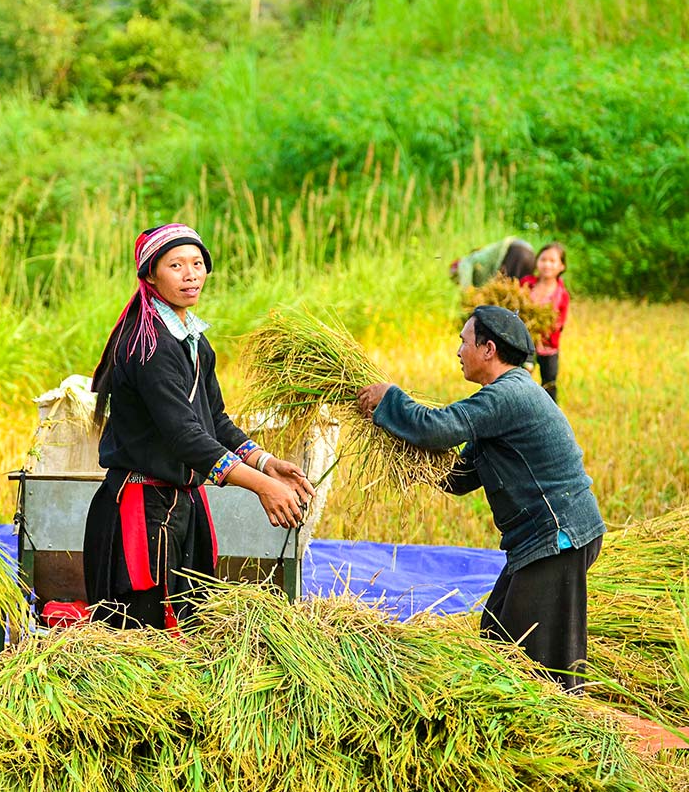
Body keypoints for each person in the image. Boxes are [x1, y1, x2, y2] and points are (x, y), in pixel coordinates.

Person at [356, 305, 605, 692]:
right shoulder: (503, 400)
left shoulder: (508, 396)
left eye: (464, 342)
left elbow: (436, 428)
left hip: (559, 537)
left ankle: (562, 730)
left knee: (533, 661)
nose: (458, 352)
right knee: (496, 633)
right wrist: (404, 453)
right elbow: (459, 477)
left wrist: (391, 399)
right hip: (541, 542)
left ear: (488, 349)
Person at [83, 224, 315, 631]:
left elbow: (214, 421)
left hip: (179, 508)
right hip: (142, 513)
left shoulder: (194, 342)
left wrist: (266, 463)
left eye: (197, 264)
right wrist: (262, 488)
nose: (190, 274)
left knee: (188, 630)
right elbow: (185, 437)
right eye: (175, 265)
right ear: (150, 275)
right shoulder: (148, 346)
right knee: (142, 638)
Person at [520, 243, 569, 403]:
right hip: (526, 342)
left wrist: (543, 331)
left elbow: (558, 324)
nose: (547, 264)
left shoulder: (561, 294)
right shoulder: (526, 284)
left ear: (561, 266)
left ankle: (551, 414)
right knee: (522, 377)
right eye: (543, 259)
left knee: (549, 383)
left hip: (549, 347)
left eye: (552, 261)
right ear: (537, 262)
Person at [449, 237, 536, 287]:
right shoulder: (488, 255)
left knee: (509, 287)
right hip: (529, 254)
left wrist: (466, 293)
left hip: (517, 252)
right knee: (519, 286)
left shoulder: (469, 260)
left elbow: (466, 265)